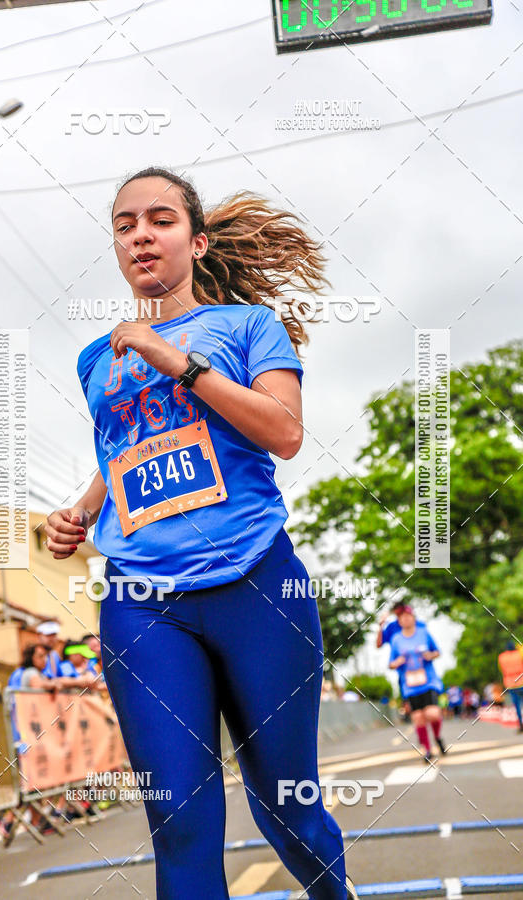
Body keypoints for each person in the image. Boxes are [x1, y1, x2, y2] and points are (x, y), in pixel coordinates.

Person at [46, 168, 356, 900]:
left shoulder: (251, 326)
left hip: (257, 586)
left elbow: (282, 432)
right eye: (125, 225)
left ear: (197, 238)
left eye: (160, 219)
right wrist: (84, 509)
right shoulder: (97, 358)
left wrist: (176, 359)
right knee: (178, 819)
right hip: (143, 601)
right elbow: (126, 451)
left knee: (288, 805)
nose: (141, 235)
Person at [388, 606, 446, 764]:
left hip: (428, 681)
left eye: (408, 616)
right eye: (402, 617)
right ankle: (427, 750)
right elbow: (391, 664)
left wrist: (430, 655)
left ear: (413, 618)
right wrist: (398, 662)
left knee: (432, 713)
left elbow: (437, 652)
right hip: (409, 684)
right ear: (399, 621)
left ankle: (438, 737)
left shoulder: (424, 633)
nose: (405, 619)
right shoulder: (396, 640)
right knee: (419, 718)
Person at [498, 642, 523, 733]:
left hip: (510, 684)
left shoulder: (502, 657)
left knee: (517, 705)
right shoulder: (519, 654)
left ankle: (521, 725)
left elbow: (502, 670)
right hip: (521, 681)